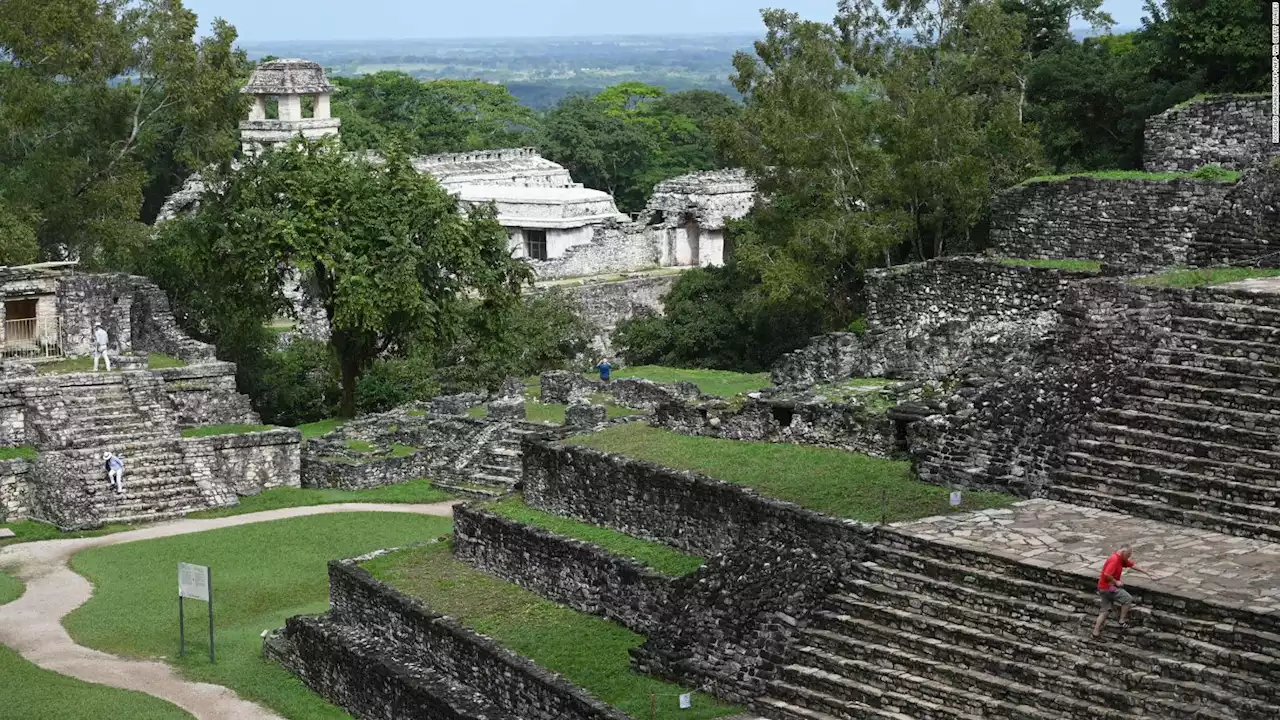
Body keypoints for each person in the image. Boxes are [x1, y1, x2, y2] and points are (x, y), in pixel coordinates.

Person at [1091, 546, 1150, 638]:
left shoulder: (1120, 558)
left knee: (1105, 611)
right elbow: (1107, 574)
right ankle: (1122, 620)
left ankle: (1096, 631)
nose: (1129, 557)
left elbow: (1131, 564)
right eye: (1128, 555)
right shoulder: (1114, 560)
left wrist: (1145, 572)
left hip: (1102, 587)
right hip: (1109, 588)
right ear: (1123, 552)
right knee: (1127, 598)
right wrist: (1116, 582)